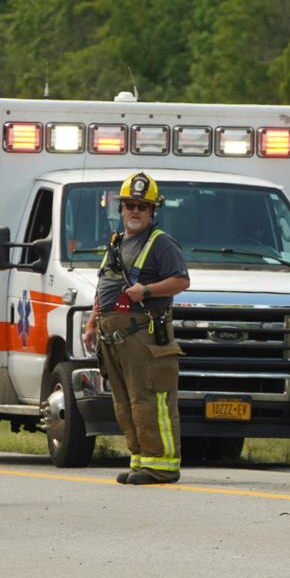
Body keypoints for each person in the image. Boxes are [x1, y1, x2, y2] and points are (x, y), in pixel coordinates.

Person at [80, 172, 190, 485]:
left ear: (154, 210)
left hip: (143, 336)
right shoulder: (117, 243)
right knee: (125, 401)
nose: (135, 211)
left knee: (150, 399)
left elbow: (182, 280)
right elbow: (104, 287)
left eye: (143, 205)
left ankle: (162, 466)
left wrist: (148, 290)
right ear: (121, 209)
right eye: (130, 205)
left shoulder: (161, 243)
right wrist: (91, 324)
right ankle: (141, 461)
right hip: (113, 339)